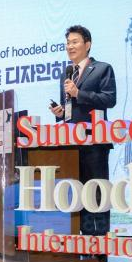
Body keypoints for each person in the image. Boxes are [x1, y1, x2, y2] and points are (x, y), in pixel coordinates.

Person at [49, 25, 116, 246]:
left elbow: (109, 99)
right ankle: (85, 242)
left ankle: (101, 245)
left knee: (98, 193)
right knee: (79, 194)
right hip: (72, 142)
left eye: (75, 42)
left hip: (95, 141)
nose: (70, 46)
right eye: (68, 43)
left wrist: (79, 93)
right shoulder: (66, 73)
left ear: (87, 44)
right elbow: (71, 108)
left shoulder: (102, 69)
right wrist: (61, 114)